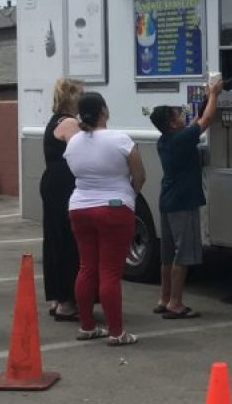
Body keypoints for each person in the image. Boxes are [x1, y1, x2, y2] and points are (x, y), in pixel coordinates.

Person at [64, 92, 146, 346]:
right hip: (114, 207)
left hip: (79, 206)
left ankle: (87, 326)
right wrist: (127, 195)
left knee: (87, 267)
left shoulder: (74, 142)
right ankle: (116, 332)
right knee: (110, 271)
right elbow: (140, 175)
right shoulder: (120, 139)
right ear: (104, 111)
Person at [149, 79, 222, 319]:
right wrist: (214, 93)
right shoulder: (181, 139)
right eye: (176, 114)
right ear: (171, 123)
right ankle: (176, 304)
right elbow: (207, 120)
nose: (181, 115)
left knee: (167, 254)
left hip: (167, 200)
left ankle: (164, 297)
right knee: (183, 253)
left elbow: (194, 123)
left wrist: (205, 100)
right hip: (183, 201)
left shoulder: (166, 140)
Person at [40, 78, 83, 321]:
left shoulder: (54, 121)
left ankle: (59, 297)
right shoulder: (69, 123)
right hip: (64, 187)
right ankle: (67, 300)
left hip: (53, 184)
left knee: (55, 240)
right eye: (81, 94)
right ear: (71, 97)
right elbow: (81, 153)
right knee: (68, 241)